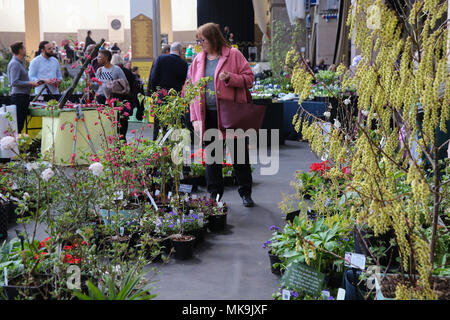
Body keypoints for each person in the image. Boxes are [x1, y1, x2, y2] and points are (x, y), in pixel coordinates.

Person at [188, 22, 255, 207]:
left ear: (213, 38)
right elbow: (190, 90)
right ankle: (214, 194)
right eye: (198, 40)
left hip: (232, 114)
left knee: (239, 155)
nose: (200, 43)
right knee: (212, 158)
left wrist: (231, 78)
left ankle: (245, 193)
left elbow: (250, 78)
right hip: (207, 116)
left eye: (202, 40)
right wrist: (194, 118)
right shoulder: (198, 60)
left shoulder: (233, 54)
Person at [148, 42, 188, 140]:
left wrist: (155, 92)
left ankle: (157, 144)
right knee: (174, 122)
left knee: (159, 122)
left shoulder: (161, 59)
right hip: (176, 97)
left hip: (161, 94)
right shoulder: (184, 64)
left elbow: (153, 78)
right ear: (180, 51)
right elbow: (184, 82)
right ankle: (173, 143)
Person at [94, 50, 128, 139]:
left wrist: (114, 86)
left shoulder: (116, 69)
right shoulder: (99, 70)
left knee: (115, 123)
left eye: (100, 57)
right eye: (98, 57)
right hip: (101, 99)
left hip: (113, 100)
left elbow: (124, 83)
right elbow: (97, 86)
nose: (98, 59)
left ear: (106, 58)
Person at [7, 42, 39, 133]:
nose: (25, 50)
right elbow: (14, 82)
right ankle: (16, 144)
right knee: (18, 125)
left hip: (21, 96)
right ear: (20, 50)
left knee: (19, 124)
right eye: (24, 48)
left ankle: (17, 144)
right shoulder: (15, 64)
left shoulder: (18, 63)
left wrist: (31, 83)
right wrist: (30, 83)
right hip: (19, 97)